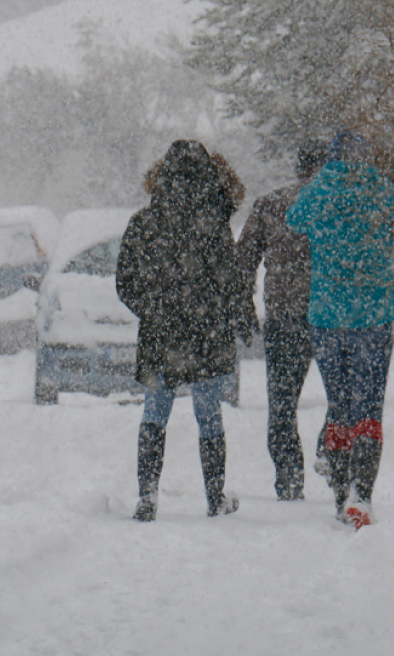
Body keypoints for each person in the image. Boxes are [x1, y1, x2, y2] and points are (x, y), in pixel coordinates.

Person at [286, 130, 394, 529]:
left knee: (340, 407)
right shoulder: (378, 186)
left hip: (327, 316)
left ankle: (337, 496)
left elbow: (293, 220)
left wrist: (322, 184)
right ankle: (361, 496)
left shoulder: (319, 189)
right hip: (373, 314)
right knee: (368, 408)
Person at [116, 139, 246, 522]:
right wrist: (221, 313)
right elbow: (230, 280)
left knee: (155, 413)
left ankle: (148, 495)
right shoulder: (215, 223)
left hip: (161, 335)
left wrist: (155, 310)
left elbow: (125, 281)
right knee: (209, 417)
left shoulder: (145, 222)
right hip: (207, 334)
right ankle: (214, 496)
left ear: (162, 174)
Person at [235, 139, 328, 501]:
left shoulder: (271, 204)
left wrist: (244, 309)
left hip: (284, 317)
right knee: (344, 397)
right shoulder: (337, 206)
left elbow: (243, 263)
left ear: (297, 167)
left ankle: (289, 479)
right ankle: (329, 450)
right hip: (330, 317)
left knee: (282, 404)